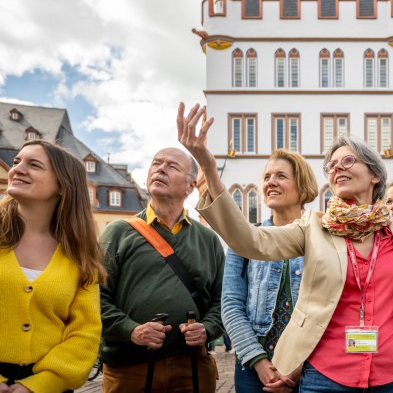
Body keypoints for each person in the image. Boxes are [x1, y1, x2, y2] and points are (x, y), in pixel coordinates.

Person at [177, 102, 393, 393]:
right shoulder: (313, 226)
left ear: (375, 174)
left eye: (347, 161)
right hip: (326, 377)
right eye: (331, 165)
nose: (336, 168)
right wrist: (210, 171)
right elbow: (252, 242)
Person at [99, 147, 225, 392]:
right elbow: (94, 297)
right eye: (156, 164)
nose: (160, 169)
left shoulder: (208, 239)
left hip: (192, 367)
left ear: (190, 186)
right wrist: (132, 331)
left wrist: (207, 330)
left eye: (172, 166)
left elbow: (224, 300)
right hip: (129, 368)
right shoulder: (118, 232)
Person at [0, 140, 103, 392]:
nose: (17, 169)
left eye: (33, 165)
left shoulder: (80, 255)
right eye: (16, 162)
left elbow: (85, 332)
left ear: (62, 186)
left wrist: (40, 384)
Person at [223, 149, 318, 392]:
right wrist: (259, 361)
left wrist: (299, 367)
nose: (270, 182)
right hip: (254, 369)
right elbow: (231, 305)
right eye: (266, 177)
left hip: (310, 368)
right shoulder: (243, 240)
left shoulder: (323, 241)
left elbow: (332, 309)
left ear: (302, 185)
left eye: (281, 176)